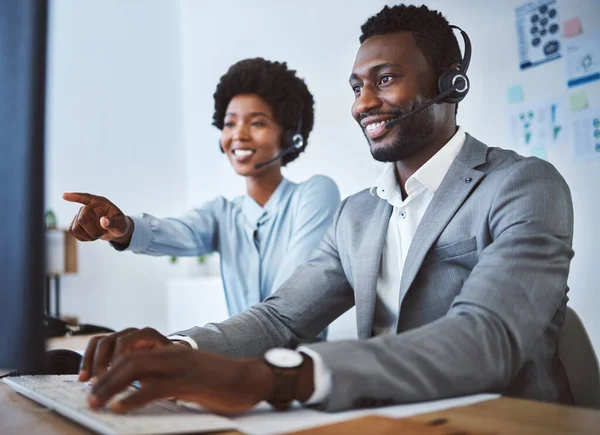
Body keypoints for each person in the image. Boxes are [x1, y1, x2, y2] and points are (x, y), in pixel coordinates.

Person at [79, 4, 574, 415]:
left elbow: (485, 339)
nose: (364, 104)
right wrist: (176, 349)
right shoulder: (356, 215)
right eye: (357, 88)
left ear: (451, 85)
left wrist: (279, 376)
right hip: (376, 419)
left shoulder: (522, 185)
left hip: (497, 422)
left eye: (385, 80)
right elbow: (280, 320)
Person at [63, 58, 341, 321]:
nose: (238, 135)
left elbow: (290, 302)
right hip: (239, 364)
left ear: (291, 137)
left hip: (298, 367)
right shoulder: (222, 214)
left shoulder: (315, 193)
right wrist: (124, 229)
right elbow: (177, 231)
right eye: (229, 123)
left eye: (257, 123)